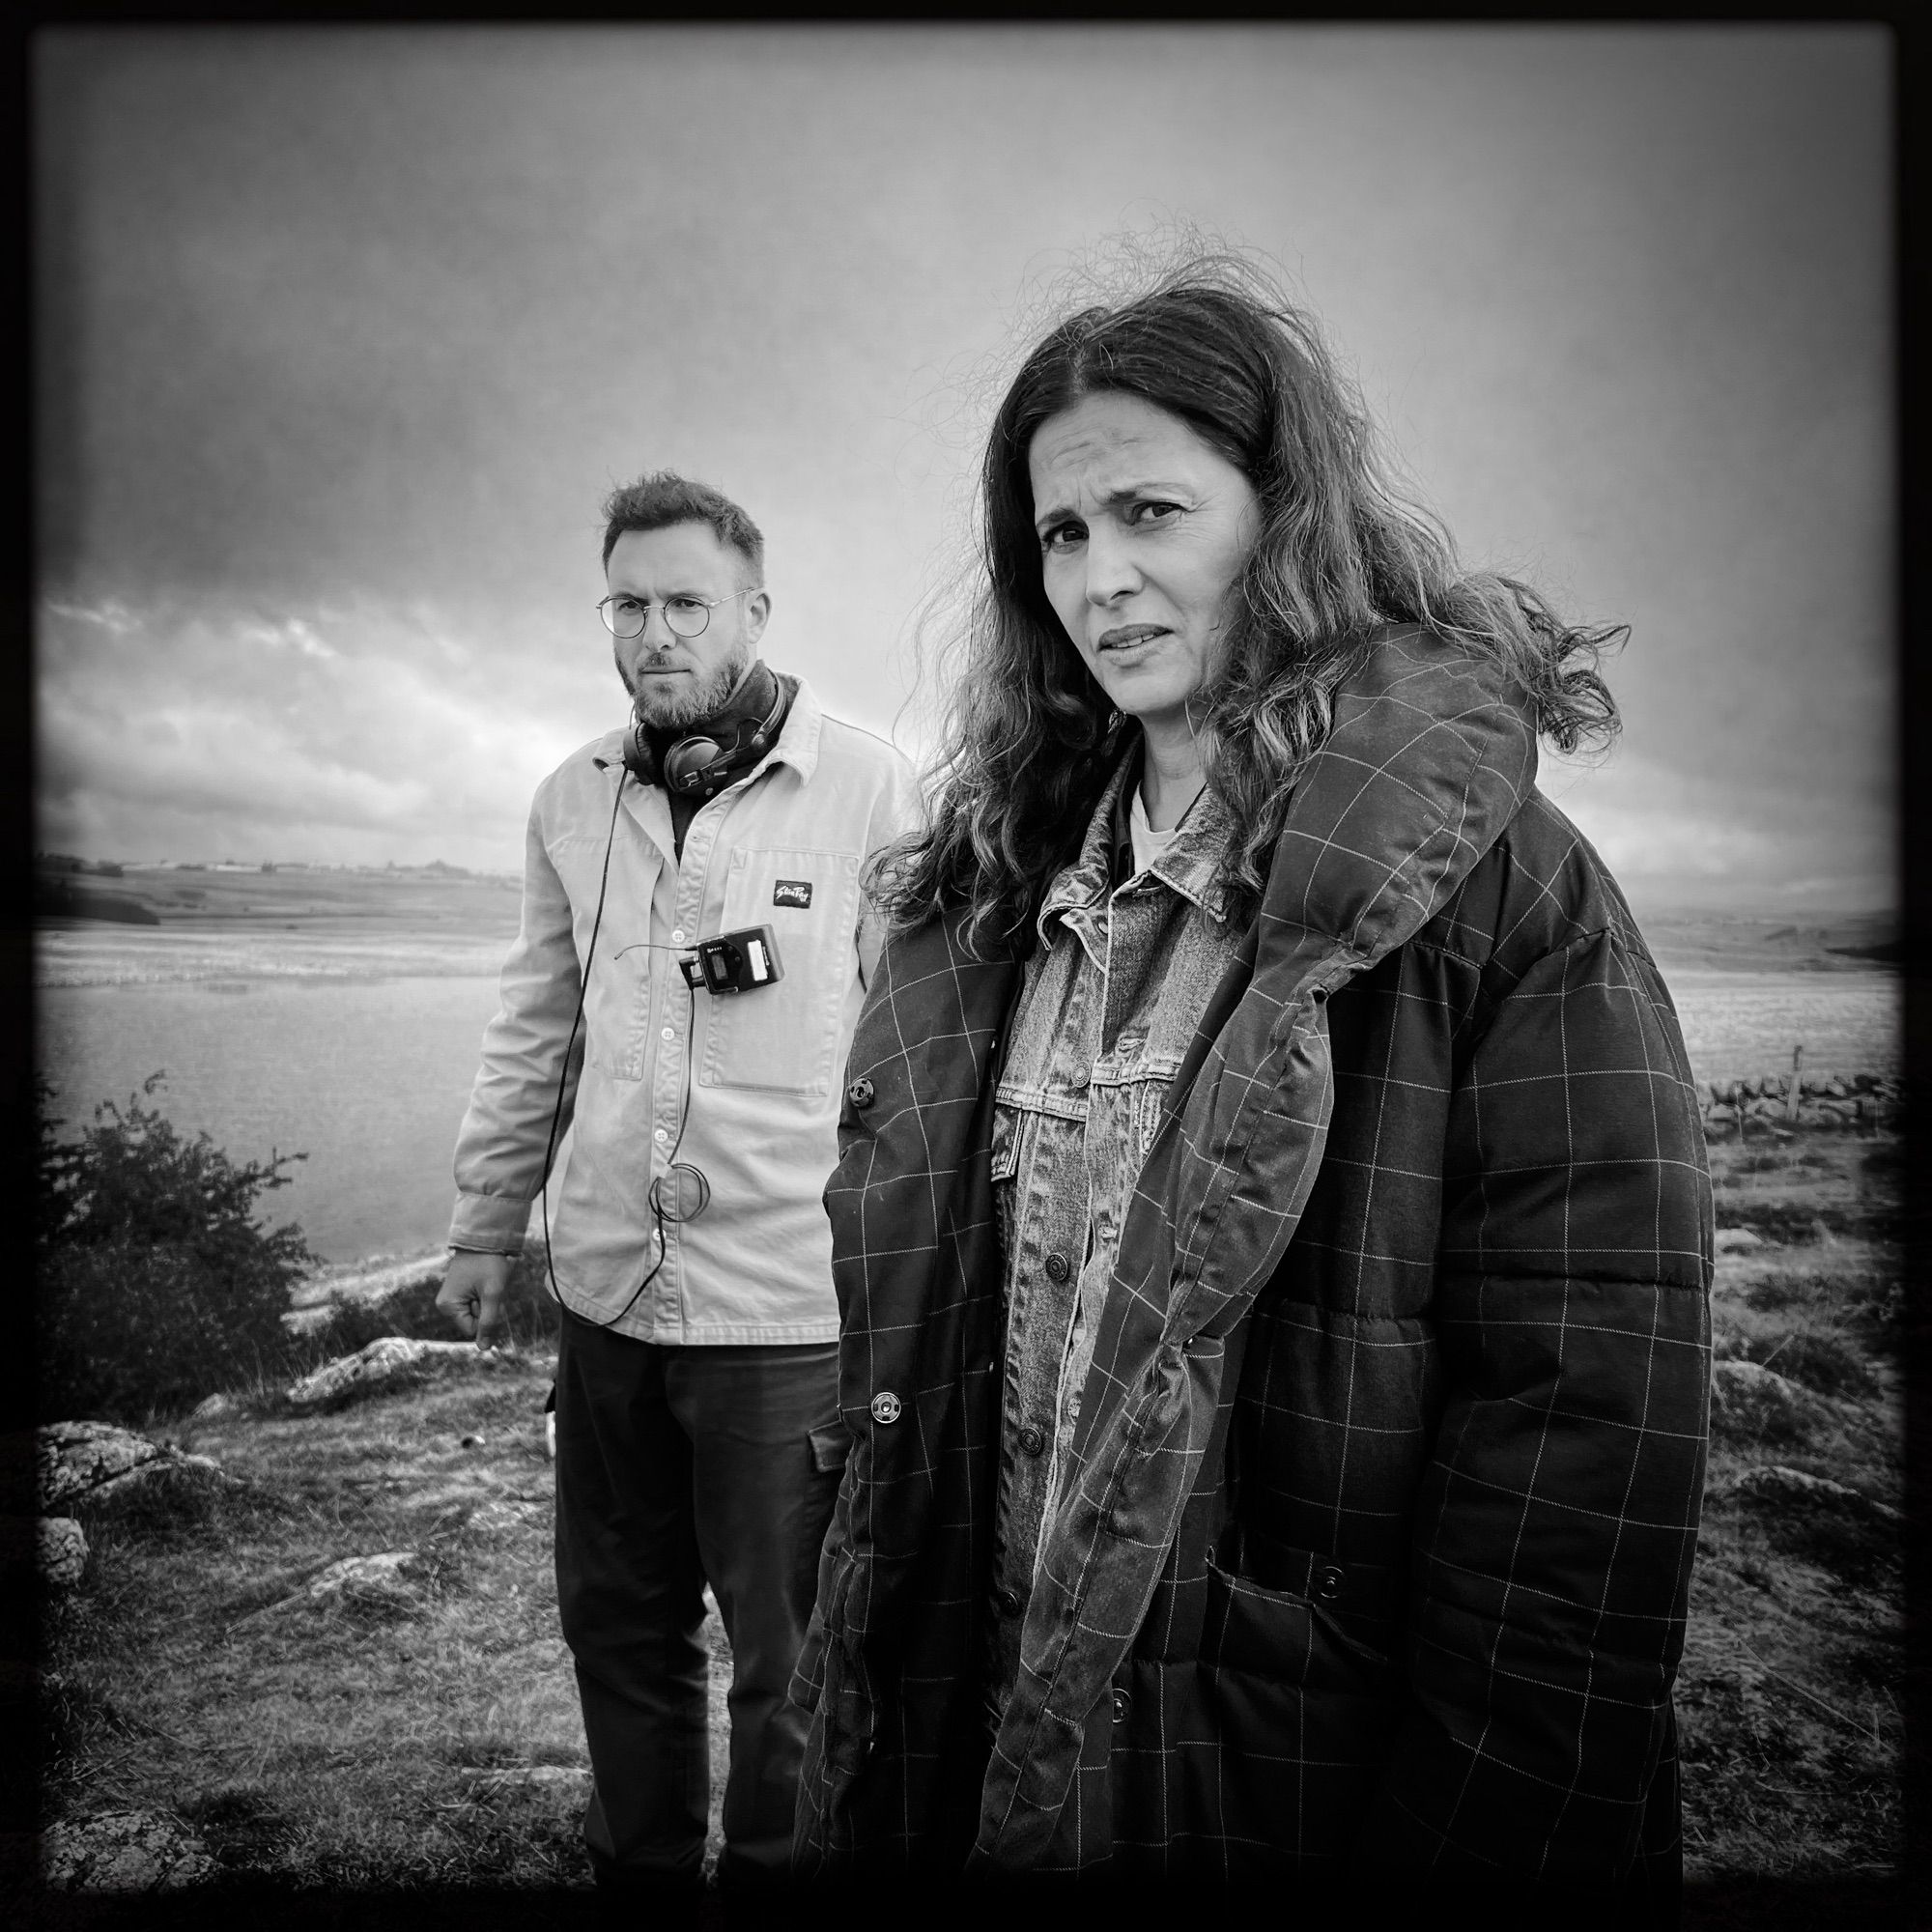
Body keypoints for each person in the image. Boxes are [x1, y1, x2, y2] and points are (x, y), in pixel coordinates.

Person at [791, 264, 1713, 1919]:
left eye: (1150, 510)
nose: (1101, 578)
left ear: (1284, 517)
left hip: (1290, 1765)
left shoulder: (1495, 900)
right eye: (1059, 536)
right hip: (990, 1718)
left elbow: (1579, 1442)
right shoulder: (987, 897)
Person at [438, 471, 919, 1900]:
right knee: (618, 1627)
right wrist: (483, 1222)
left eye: (686, 603)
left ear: (755, 611)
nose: (655, 633)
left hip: (785, 1310)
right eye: (629, 604)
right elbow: (537, 1021)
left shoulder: (873, 789)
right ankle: (639, 1873)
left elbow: (921, 1044)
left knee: (787, 1659)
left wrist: (914, 1269)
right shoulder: (568, 797)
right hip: (605, 1296)